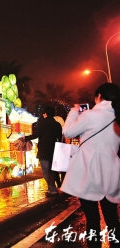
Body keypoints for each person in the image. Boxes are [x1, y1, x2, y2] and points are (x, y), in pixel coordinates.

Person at [61, 83, 120, 248]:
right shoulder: (118, 116)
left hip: (89, 172)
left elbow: (68, 132)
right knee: (112, 219)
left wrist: (74, 112)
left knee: (92, 219)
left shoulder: (91, 115)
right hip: (112, 173)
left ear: (99, 96)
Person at [22, 106, 62, 197]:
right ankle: (52, 188)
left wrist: (26, 138)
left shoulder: (42, 123)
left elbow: (36, 135)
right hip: (54, 151)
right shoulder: (57, 125)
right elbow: (60, 138)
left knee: (46, 171)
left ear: (45, 113)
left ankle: (52, 189)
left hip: (44, 151)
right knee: (52, 171)